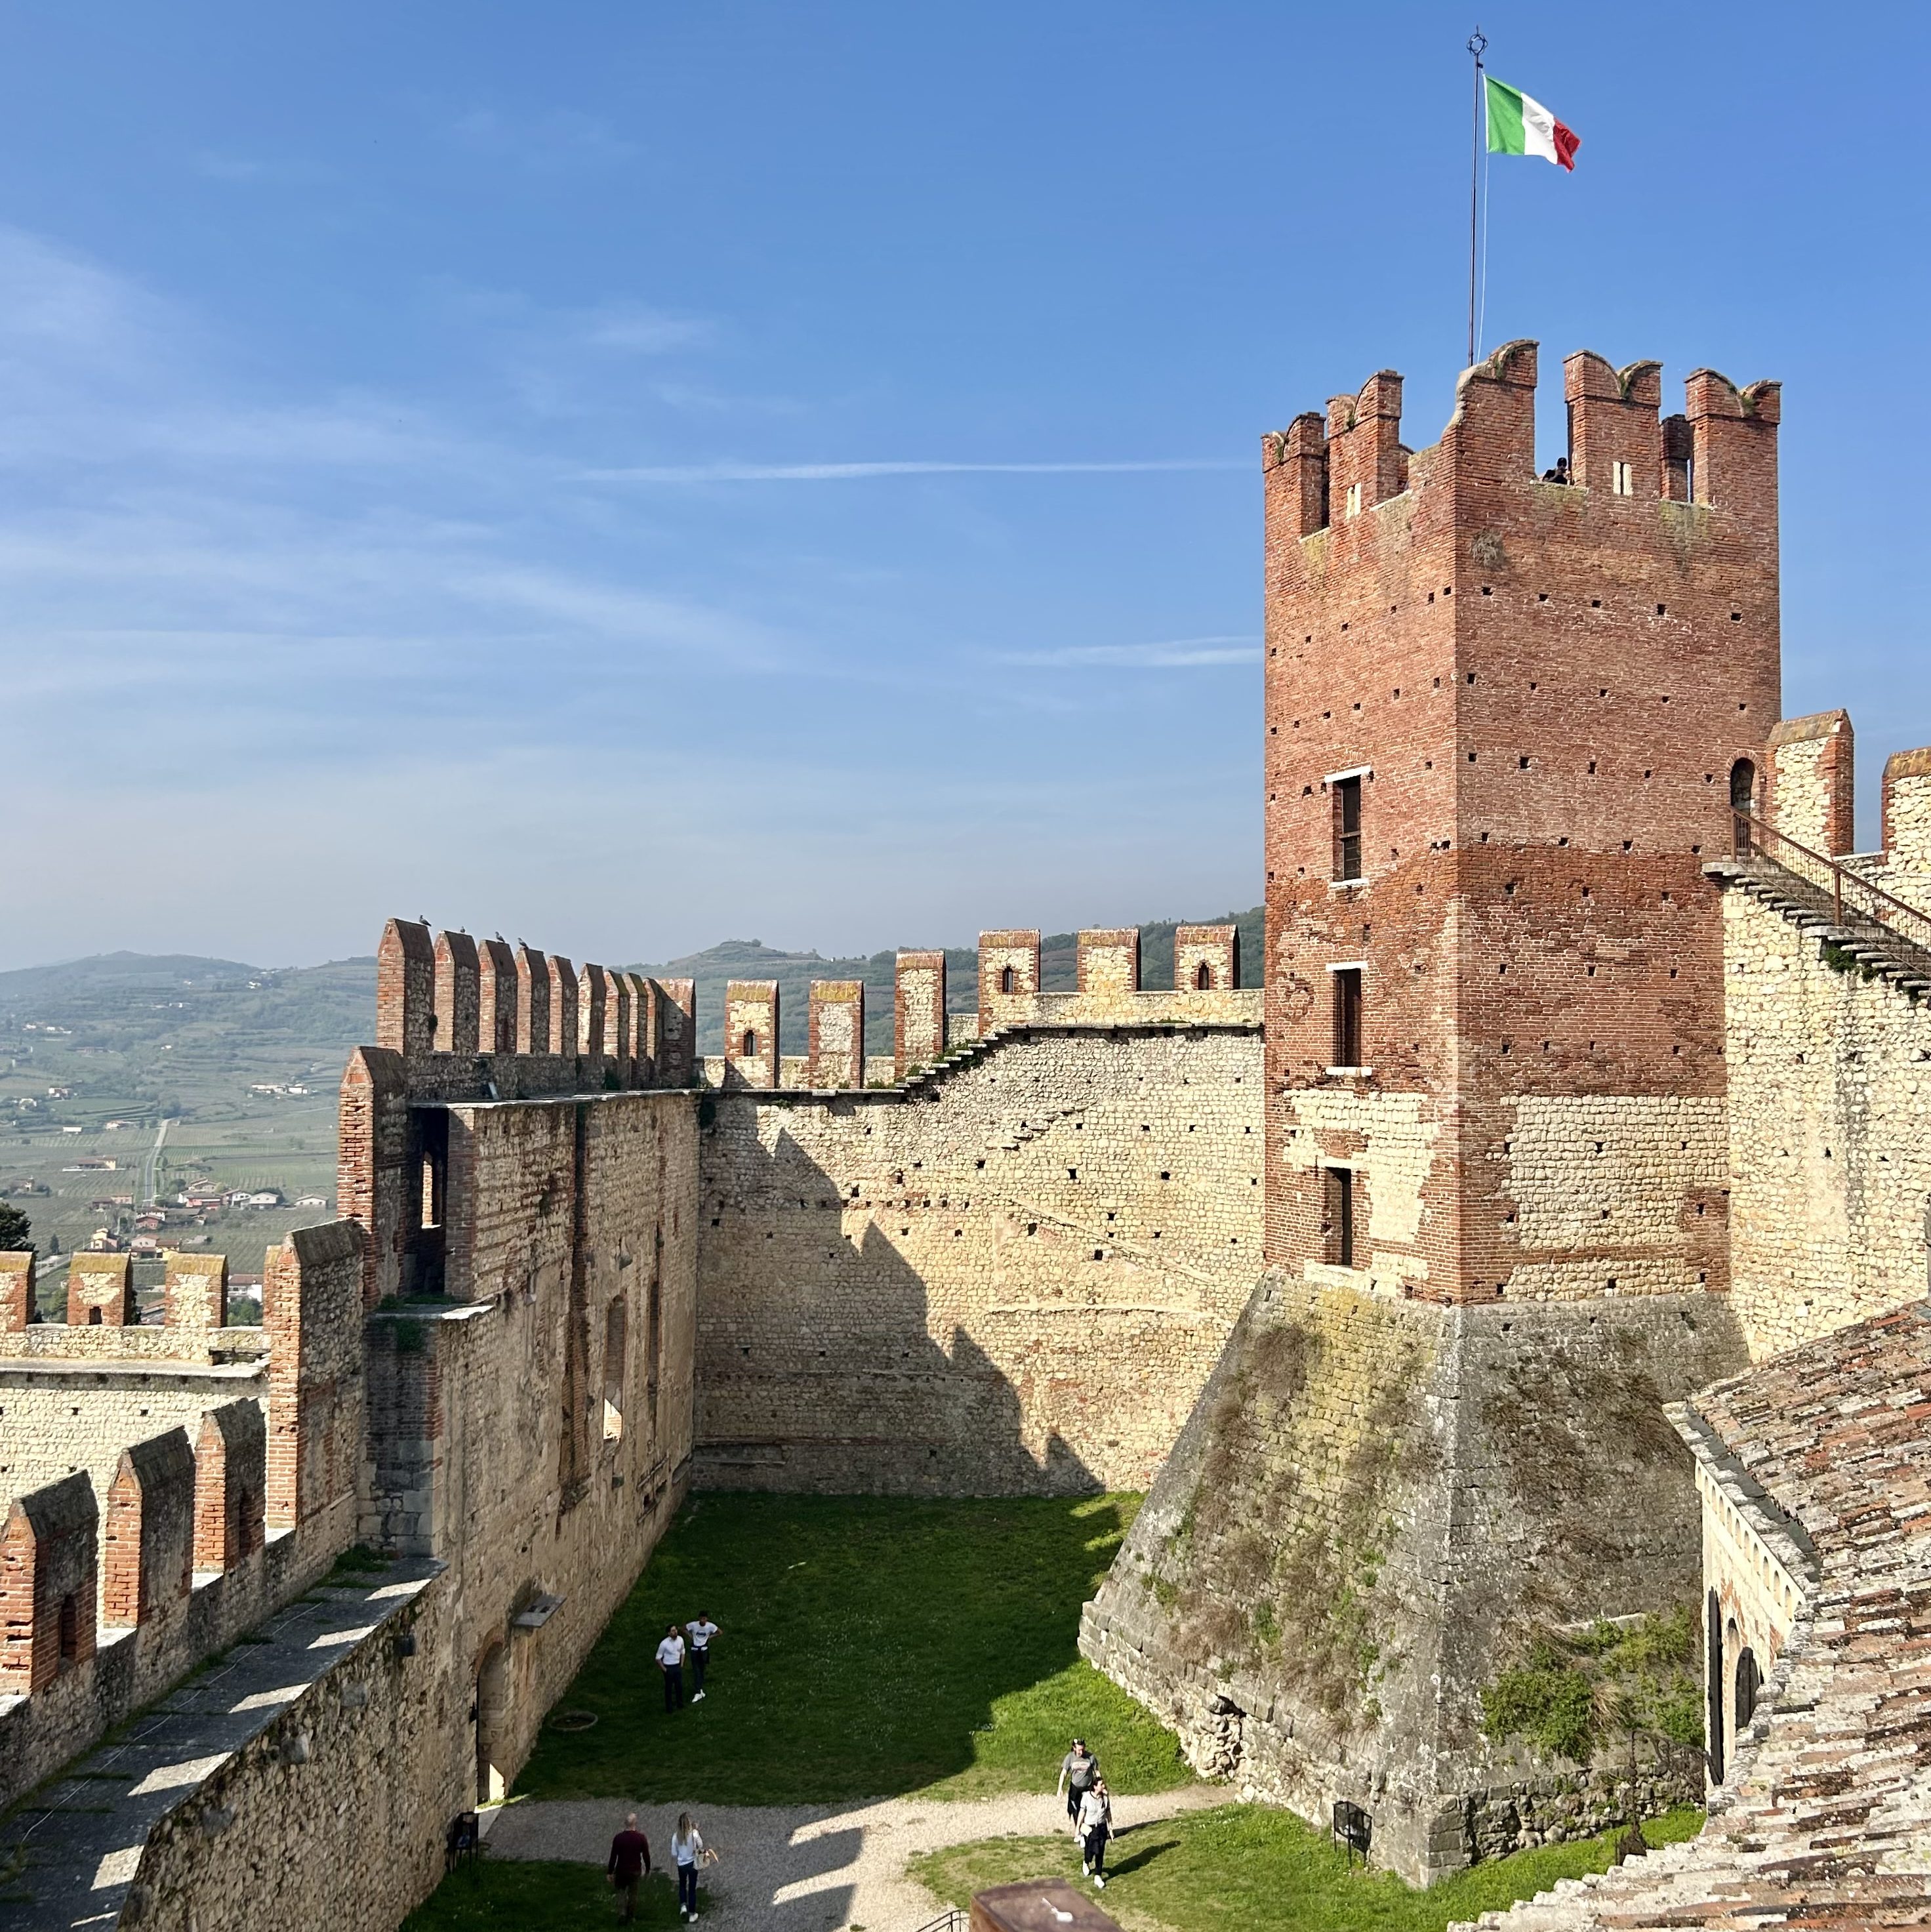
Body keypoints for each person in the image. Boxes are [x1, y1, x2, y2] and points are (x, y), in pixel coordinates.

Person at [606, 1812, 651, 1923]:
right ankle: (631, 1916)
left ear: (625, 1824)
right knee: (633, 1894)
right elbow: (646, 1856)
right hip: (635, 1871)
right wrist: (648, 1869)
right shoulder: (641, 1838)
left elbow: (613, 1856)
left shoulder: (618, 1838)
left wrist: (610, 1872)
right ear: (635, 1823)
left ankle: (622, 1913)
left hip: (621, 1870)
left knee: (621, 1892)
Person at [670, 1810, 709, 1922]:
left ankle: (683, 1906)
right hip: (692, 1863)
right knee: (692, 1889)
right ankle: (692, 1914)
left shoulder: (675, 1837)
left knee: (682, 1885)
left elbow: (674, 1854)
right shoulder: (694, 1834)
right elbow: (701, 1845)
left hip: (681, 1865)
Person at [1056, 1738, 1099, 1835]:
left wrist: (1100, 1785)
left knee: (1087, 1809)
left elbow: (1097, 1772)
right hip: (1075, 1788)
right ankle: (1079, 1831)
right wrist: (1060, 1789)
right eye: (1079, 1750)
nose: (1081, 1752)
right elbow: (1064, 1773)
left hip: (1088, 1787)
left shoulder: (1090, 1757)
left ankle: (1089, 1830)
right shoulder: (1070, 1758)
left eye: (1083, 1749)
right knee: (1076, 1810)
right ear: (1074, 1748)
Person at [1078, 1777, 1113, 1889]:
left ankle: (1098, 1876)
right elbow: (1082, 1813)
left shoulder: (1105, 1799)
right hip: (1090, 1828)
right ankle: (1086, 1861)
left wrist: (1110, 1829)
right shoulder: (1087, 1797)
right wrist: (1078, 1828)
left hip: (1101, 1827)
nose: (1103, 1786)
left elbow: (1108, 1813)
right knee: (1092, 1850)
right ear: (1095, 1786)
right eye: (1101, 1784)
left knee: (1100, 1852)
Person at [685, 1613, 720, 1700]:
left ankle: (699, 1688)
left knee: (701, 1669)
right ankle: (698, 1690)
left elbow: (719, 1632)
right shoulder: (694, 1625)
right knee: (697, 1670)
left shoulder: (710, 1626)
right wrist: (691, 1636)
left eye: (704, 1619)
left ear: (706, 1619)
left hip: (704, 1650)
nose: (702, 1621)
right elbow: (683, 1629)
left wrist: (710, 1637)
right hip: (695, 1649)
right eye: (701, 1619)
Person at [657, 1622, 687, 1712]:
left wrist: (681, 1664)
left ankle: (680, 1704)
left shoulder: (680, 1640)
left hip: (677, 1666)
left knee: (679, 1686)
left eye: (676, 1630)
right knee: (669, 1688)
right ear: (669, 1633)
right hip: (668, 1667)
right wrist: (665, 1670)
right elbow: (658, 1658)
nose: (675, 1632)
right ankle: (669, 1707)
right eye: (673, 1631)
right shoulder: (664, 1644)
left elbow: (683, 1651)